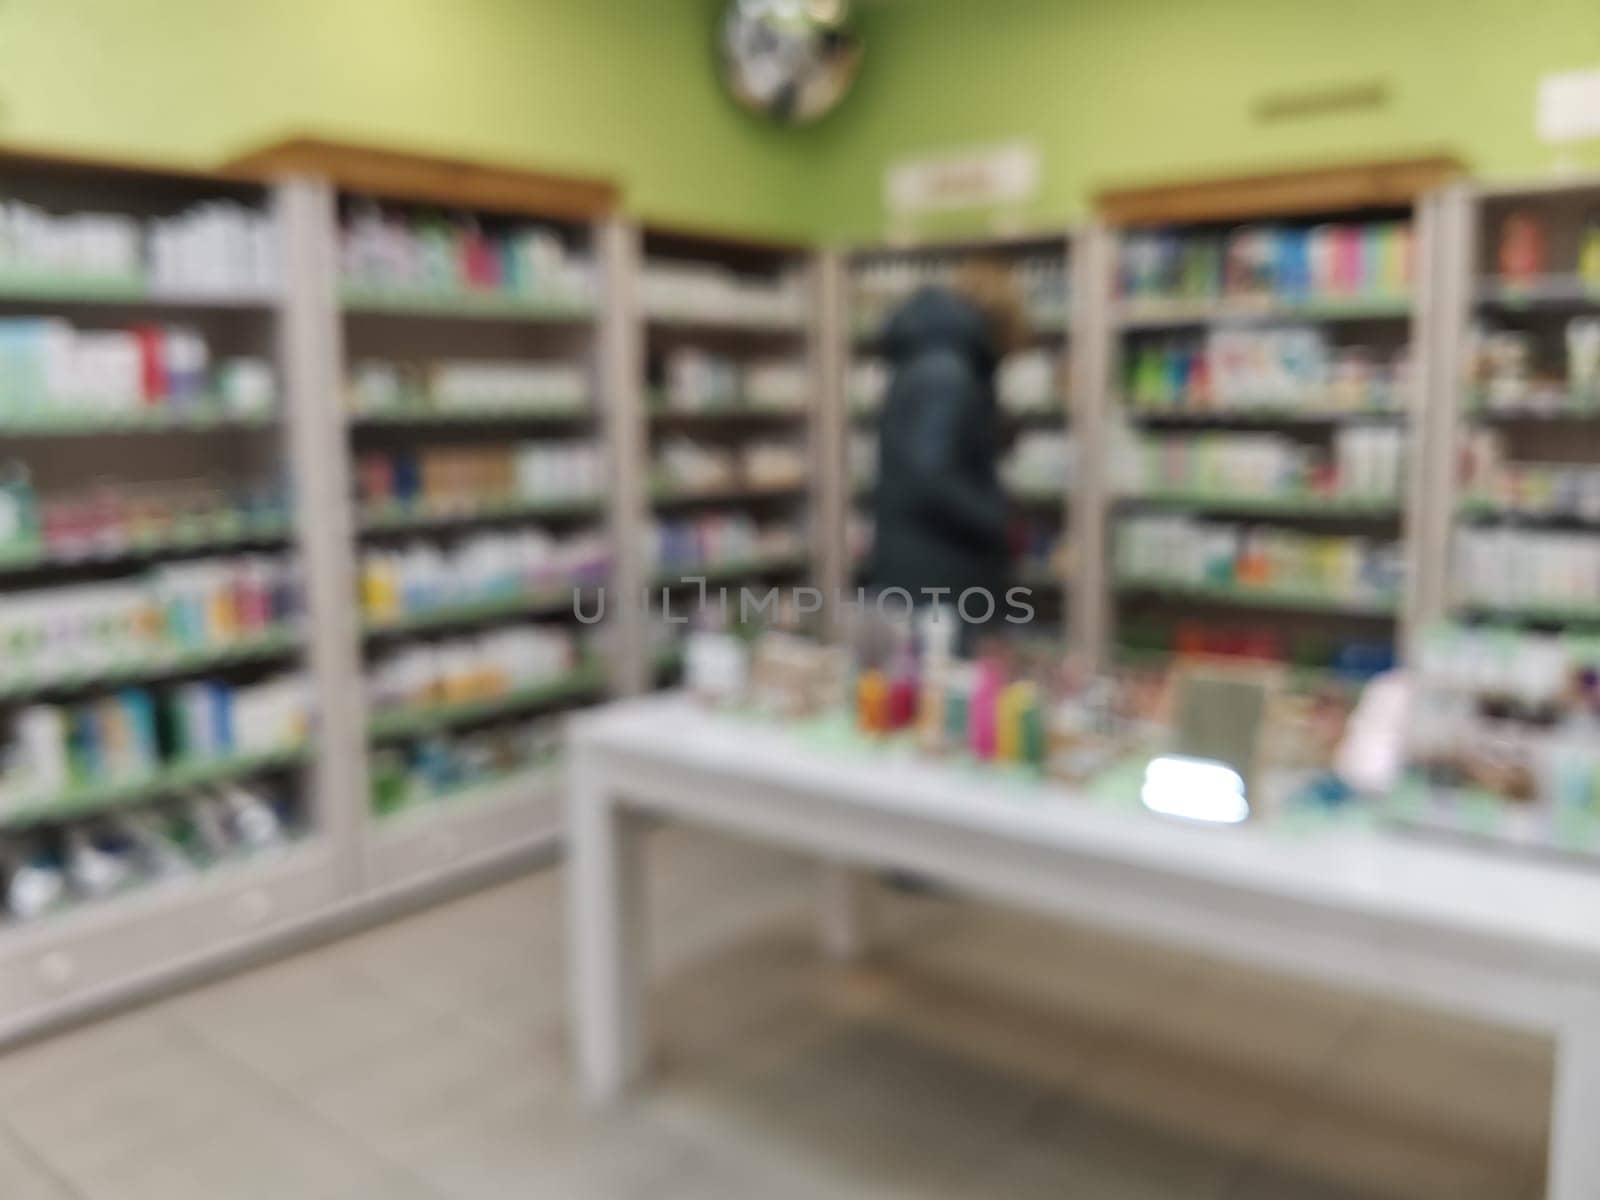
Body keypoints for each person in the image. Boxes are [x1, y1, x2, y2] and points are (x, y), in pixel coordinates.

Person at [867, 259, 1023, 647]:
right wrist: (996, 519)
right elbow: (929, 477)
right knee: (942, 689)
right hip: (938, 571)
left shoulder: (930, 359)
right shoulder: (949, 371)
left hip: (915, 562)